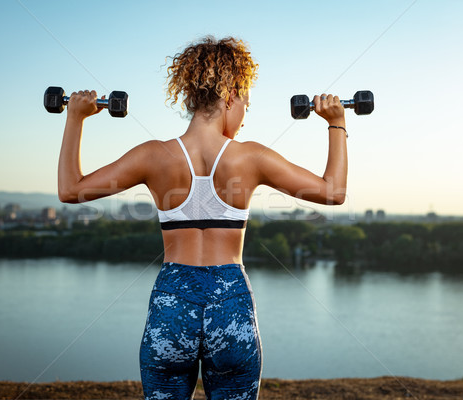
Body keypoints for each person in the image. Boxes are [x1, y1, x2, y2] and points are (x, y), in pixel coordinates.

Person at [58, 36, 347, 400]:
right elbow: (333, 191)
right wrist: (336, 123)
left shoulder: (154, 155)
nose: (243, 117)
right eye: (246, 104)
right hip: (231, 301)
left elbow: (71, 189)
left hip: (172, 302)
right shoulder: (250, 157)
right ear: (230, 96)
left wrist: (75, 117)